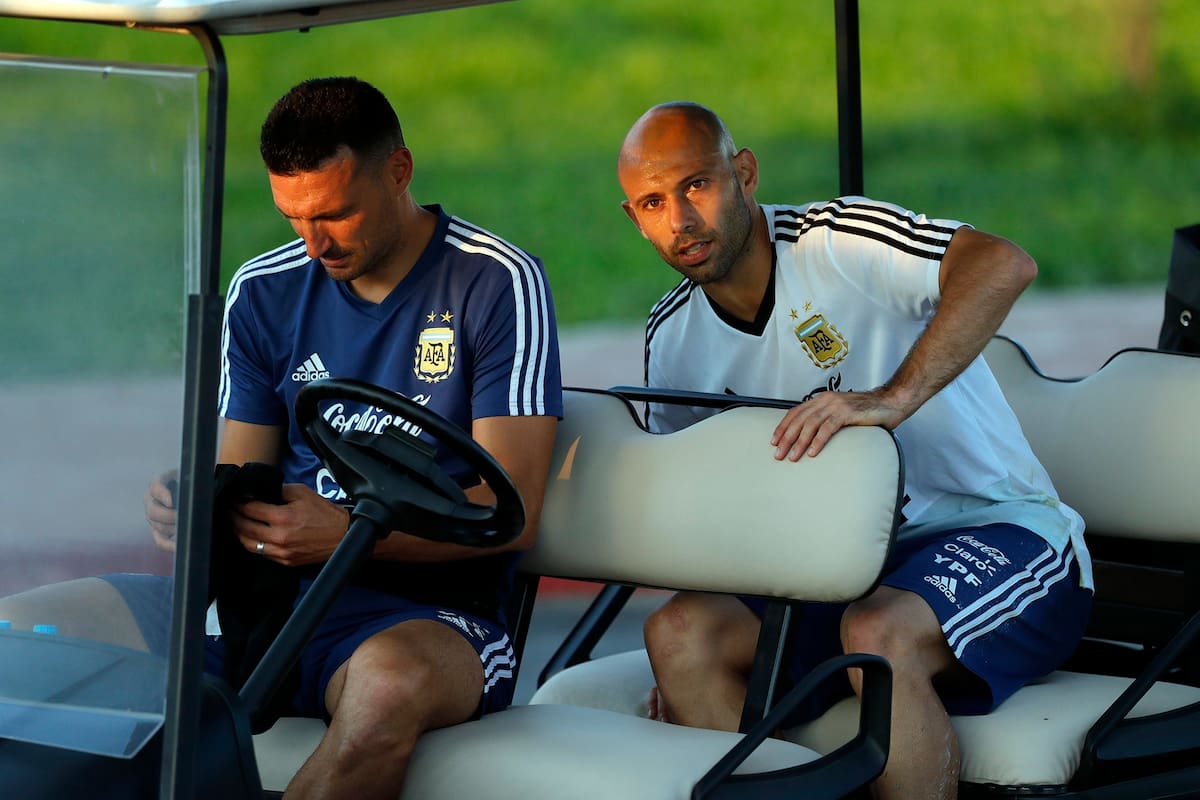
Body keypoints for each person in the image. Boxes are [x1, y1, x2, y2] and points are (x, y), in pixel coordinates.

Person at [10, 77, 563, 800]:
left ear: (398, 171)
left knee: (387, 687)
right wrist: (199, 505)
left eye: (335, 213)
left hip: (426, 616)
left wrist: (349, 536)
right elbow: (245, 473)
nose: (314, 242)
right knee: (21, 634)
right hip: (266, 600)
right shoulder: (263, 287)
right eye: (293, 217)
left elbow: (510, 513)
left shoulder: (496, 280)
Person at [618, 101, 1092, 800]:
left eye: (697, 185)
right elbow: (698, 517)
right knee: (680, 633)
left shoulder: (837, 241)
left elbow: (1002, 264)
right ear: (634, 219)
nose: (680, 220)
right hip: (833, 573)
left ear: (743, 173)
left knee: (877, 631)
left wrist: (891, 399)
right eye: (653, 203)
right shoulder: (672, 335)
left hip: (999, 530)